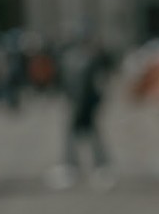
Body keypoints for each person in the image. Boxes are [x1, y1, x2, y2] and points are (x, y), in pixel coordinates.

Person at [47, 32, 116, 190]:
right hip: (83, 104)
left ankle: (89, 165)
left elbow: (80, 85)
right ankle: (91, 165)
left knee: (82, 135)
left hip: (81, 104)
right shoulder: (82, 58)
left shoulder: (76, 59)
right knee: (85, 135)